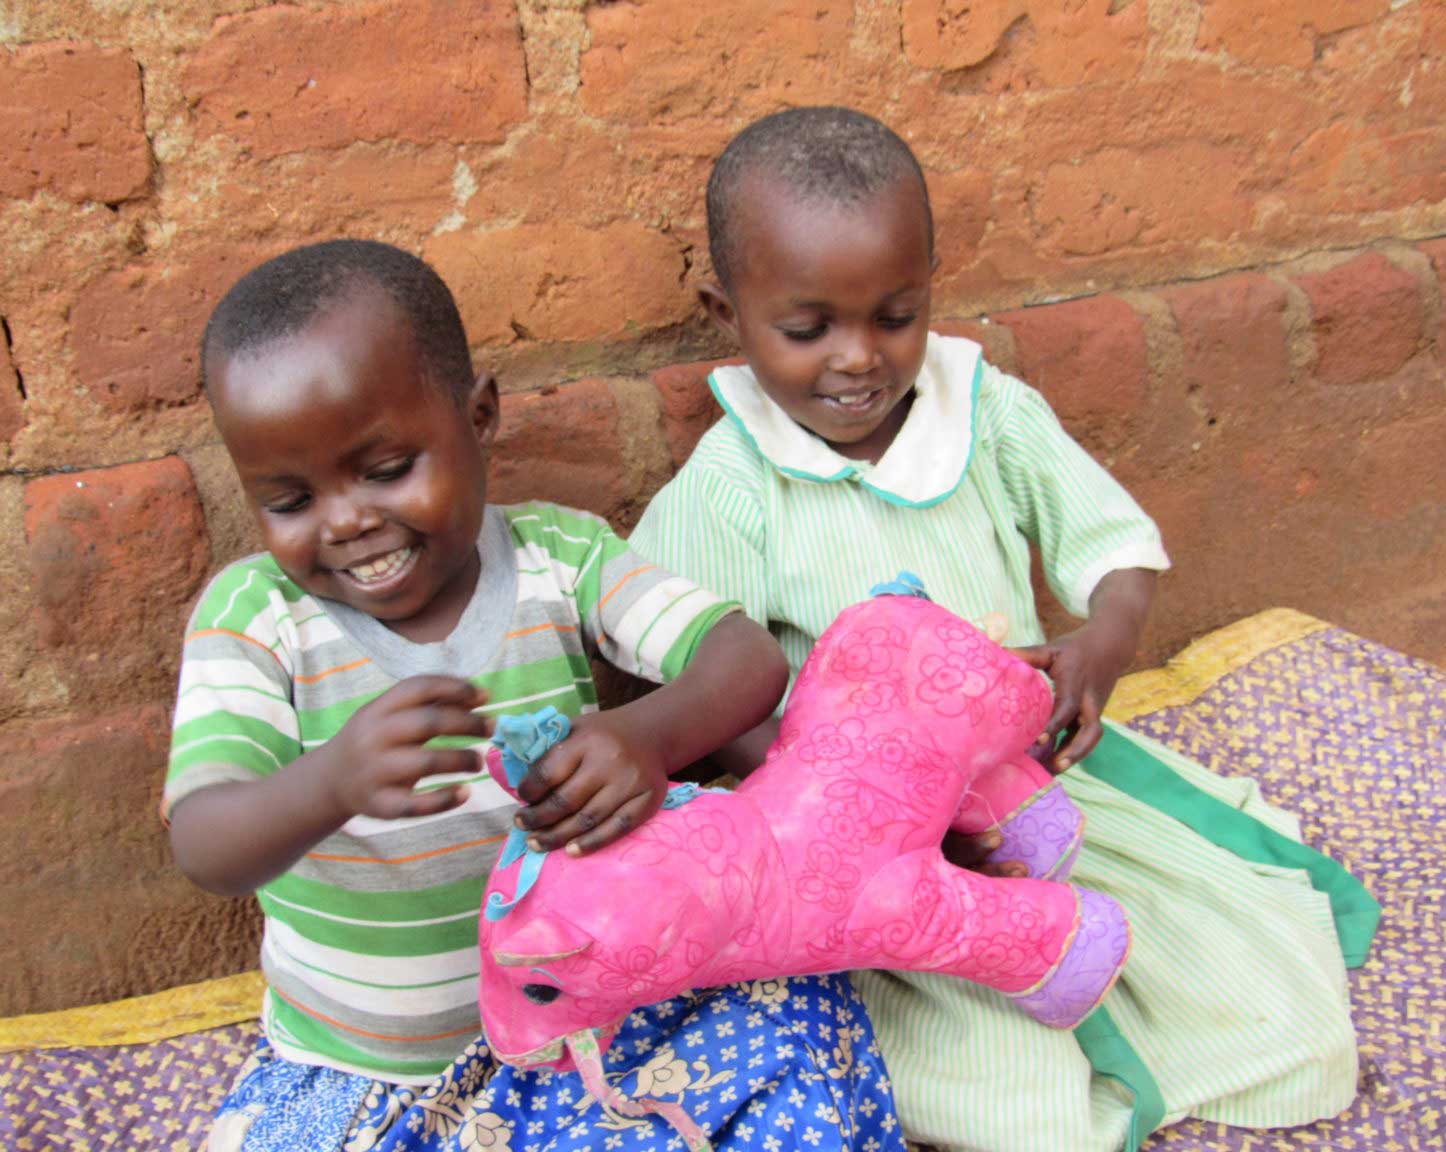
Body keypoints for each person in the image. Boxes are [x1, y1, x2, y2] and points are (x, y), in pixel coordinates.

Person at [629, 107, 1380, 1152]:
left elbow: (1114, 547)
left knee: (1251, 980)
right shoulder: (732, 489)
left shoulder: (988, 416)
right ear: (728, 311)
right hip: (879, 850)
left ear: (932, 279)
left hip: (1042, 794)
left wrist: (1101, 649)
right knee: (1002, 1084)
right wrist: (873, 802)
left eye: (895, 315)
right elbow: (711, 688)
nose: (858, 359)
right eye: (808, 330)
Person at [166, 239, 906, 1152]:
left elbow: (744, 659)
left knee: (790, 1032)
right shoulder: (256, 618)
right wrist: (330, 784)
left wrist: (647, 737)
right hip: (367, 1077)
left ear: (479, 418)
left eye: (388, 468)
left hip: (591, 1034)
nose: (346, 520)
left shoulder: (562, 559)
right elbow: (206, 847)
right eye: (288, 500)